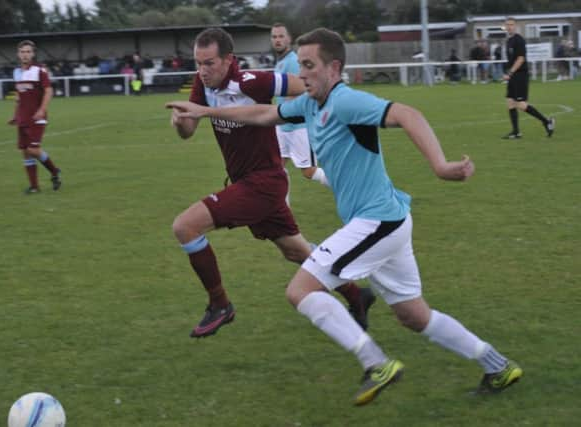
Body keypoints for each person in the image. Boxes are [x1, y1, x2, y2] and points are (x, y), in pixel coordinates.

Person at [168, 27, 523, 405]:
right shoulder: (308, 104)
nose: (301, 74)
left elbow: (407, 113)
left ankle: (376, 363)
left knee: (300, 291)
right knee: (414, 316)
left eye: (309, 65)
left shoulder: (345, 101)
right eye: (300, 64)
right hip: (390, 222)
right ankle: (497, 365)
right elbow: (263, 113)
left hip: (377, 222)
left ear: (334, 68)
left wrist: (439, 165)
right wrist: (206, 111)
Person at [166, 27, 374, 339]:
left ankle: (220, 304)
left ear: (228, 60)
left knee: (185, 226)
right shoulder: (202, 83)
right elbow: (189, 130)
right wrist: (181, 122)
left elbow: (303, 84)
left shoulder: (253, 81)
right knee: (296, 251)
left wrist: (320, 110)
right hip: (257, 183)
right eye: (198, 63)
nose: (202, 70)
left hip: (261, 183)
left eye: (209, 63)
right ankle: (357, 296)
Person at [271, 23, 329, 204]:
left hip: (299, 127)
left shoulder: (293, 61)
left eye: (281, 36)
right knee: (275, 168)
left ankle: (348, 184)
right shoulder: (280, 62)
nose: (278, 40)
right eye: (274, 37)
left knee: (308, 172)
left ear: (289, 39)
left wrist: (279, 108)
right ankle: (283, 212)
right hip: (282, 126)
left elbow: (302, 91)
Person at [8, 40, 61, 194]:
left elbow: (48, 91)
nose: (25, 54)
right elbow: (20, 96)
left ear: (33, 54)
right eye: (22, 52)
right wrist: (15, 115)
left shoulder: (40, 70)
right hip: (22, 118)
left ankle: (54, 171)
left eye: (28, 52)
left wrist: (42, 110)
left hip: (37, 117)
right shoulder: (16, 72)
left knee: (33, 149)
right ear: (18, 54)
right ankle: (34, 186)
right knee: (25, 151)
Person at [502, 17, 555, 139]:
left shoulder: (519, 40)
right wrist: (508, 72)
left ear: (516, 26)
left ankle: (547, 122)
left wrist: (510, 73)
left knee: (520, 104)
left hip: (520, 75)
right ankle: (516, 132)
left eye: (511, 24)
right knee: (510, 102)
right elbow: (512, 59)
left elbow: (520, 59)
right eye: (507, 25)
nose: (509, 27)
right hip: (512, 76)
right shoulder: (509, 41)